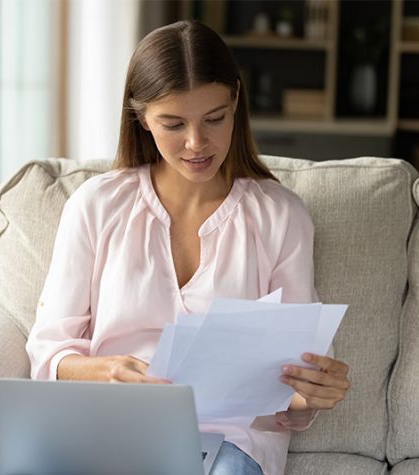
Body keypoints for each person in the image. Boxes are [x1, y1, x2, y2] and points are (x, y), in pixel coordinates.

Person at [26, 20, 351, 475]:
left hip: (229, 441)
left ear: (236, 100)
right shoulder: (96, 205)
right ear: (141, 117)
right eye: (173, 124)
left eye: (214, 118)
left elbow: (291, 398)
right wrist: (106, 372)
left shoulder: (280, 216)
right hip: (111, 425)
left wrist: (309, 395)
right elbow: (48, 350)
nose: (197, 143)